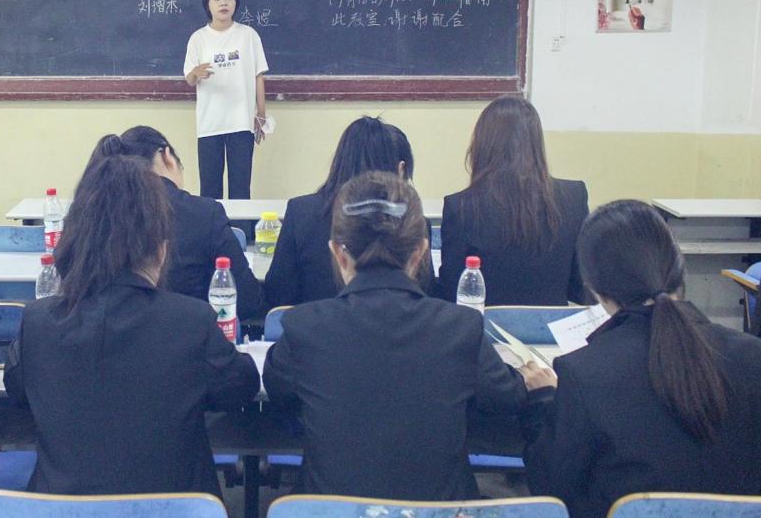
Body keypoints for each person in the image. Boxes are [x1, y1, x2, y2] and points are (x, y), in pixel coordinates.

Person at [263, 171, 552, 500]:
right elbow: (506, 397)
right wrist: (535, 385)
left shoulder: (303, 328)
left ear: (337, 253)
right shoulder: (461, 328)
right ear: (420, 253)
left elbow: (278, 390)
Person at [4, 155, 259, 497]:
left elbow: (17, 390)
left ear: (73, 241)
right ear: (161, 248)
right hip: (173, 507)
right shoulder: (190, 321)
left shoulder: (37, 323)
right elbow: (240, 386)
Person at [524, 200, 761, 518]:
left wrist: (543, 399)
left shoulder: (583, 373)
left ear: (593, 287)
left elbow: (551, 490)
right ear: (678, 268)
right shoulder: (752, 356)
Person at [83, 125, 262, 318]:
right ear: (166, 156)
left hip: (105, 332)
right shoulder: (204, 213)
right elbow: (248, 301)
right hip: (189, 331)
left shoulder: (93, 211)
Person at [437, 96, 589, 305]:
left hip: (484, 324)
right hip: (553, 323)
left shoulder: (459, 206)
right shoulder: (574, 197)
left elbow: (451, 291)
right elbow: (580, 287)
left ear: (481, 145)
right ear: (536, 144)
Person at [264, 116, 415, 307]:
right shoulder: (410, 221)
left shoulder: (302, 214)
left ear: (339, 162)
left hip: (315, 324)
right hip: (396, 326)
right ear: (399, 170)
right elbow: (426, 300)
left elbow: (278, 297)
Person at [183, 0, 269, 200]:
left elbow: (258, 76)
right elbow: (189, 79)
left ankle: (241, 226)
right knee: (210, 190)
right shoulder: (198, 39)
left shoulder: (248, 35)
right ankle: (212, 225)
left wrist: (261, 114)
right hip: (209, 123)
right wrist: (196, 73)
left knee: (241, 188)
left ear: (235, 3)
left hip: (241, 121)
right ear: (207, 4)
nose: (224, 3)